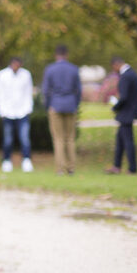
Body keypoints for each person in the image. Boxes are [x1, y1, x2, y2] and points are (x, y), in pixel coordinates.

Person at [41, 45, 81, 175]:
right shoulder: (74, 69)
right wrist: (75, 104)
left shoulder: (50, 69)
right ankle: (71, 168)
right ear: (67, 55)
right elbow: (79, 90)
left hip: (56, 105)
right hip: (70, 105)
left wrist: (48, 105)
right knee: (70, 138)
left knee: (58, 138)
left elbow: (45, 91)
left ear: (56, 55)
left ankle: (60, 168)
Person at [0, 57, 34, 172]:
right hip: (8, 111)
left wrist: (28, 109)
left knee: (24, 138)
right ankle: (6, 160)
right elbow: (0, 94)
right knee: (8, 139)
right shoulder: (2, 75)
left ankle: (26, 160)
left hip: (22, 111)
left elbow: (28, 92)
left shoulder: (26, 75)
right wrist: (1, 110)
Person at [106, 56, 137, 174]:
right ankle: (117, 166)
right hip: (130, 111)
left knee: (128, 141)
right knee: (120, 141)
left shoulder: (125, 76)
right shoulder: (133, 74)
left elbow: (124, 97)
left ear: (116, 65)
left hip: (126, 113)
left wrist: (115, 106)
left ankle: (132, 168)